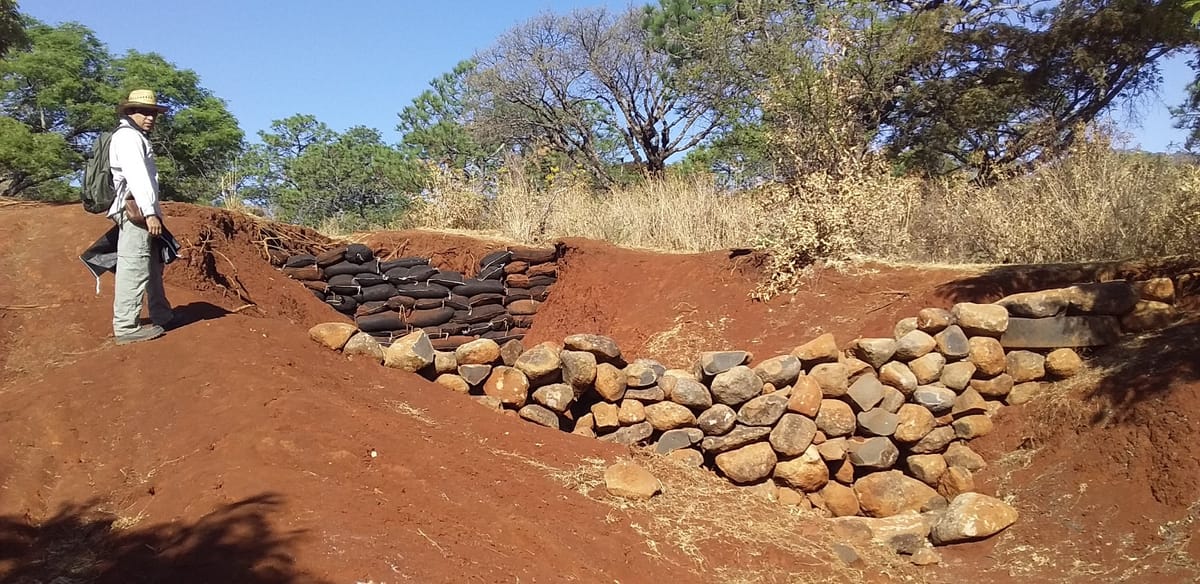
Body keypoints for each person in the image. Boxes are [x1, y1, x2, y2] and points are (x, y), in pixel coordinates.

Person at [107, 89, 174, 345]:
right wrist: (150, 214)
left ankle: (162, 314)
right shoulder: (128, 138)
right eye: (143, 112)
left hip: (143, 211)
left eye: (153, 113)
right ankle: (126, 327)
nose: (150, 118)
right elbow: (137, 177)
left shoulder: (135, 137)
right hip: (136, 212)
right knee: (133, 266)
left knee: (150, 266)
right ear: (129, 112)